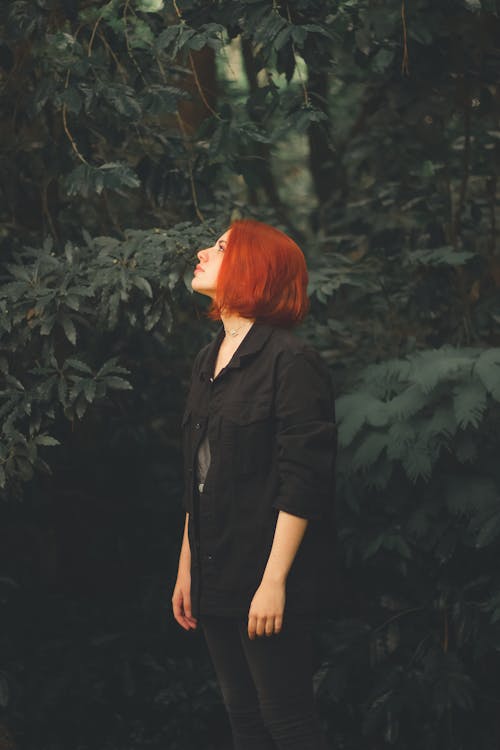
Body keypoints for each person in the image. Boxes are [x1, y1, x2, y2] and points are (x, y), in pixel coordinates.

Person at [171, 218, 337, 750]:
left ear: (252, 269)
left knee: (286, 720)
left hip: (267, 574)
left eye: (220, 248)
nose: (203, 252)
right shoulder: (207, 359)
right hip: (214, 567)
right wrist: (186, 566)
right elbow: (201, 471)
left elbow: (304, 478)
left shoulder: (292, 361)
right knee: (242, 718)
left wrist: (273, 581)